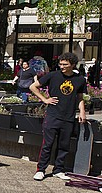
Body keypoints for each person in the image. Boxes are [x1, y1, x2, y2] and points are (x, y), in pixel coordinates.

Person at [29, 52, 87, 181]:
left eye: (65, 64)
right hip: (53, 115)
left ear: (72, 65)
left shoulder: (80, 79)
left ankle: (58, 170)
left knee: (64, 145)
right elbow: (33, 86)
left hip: (68, 116)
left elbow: (80, 98)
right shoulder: (53, 75)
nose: (62, 66)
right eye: (60, 64)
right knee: (47, 144)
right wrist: (45, 99)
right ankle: (41, 170)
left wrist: (82, 112)